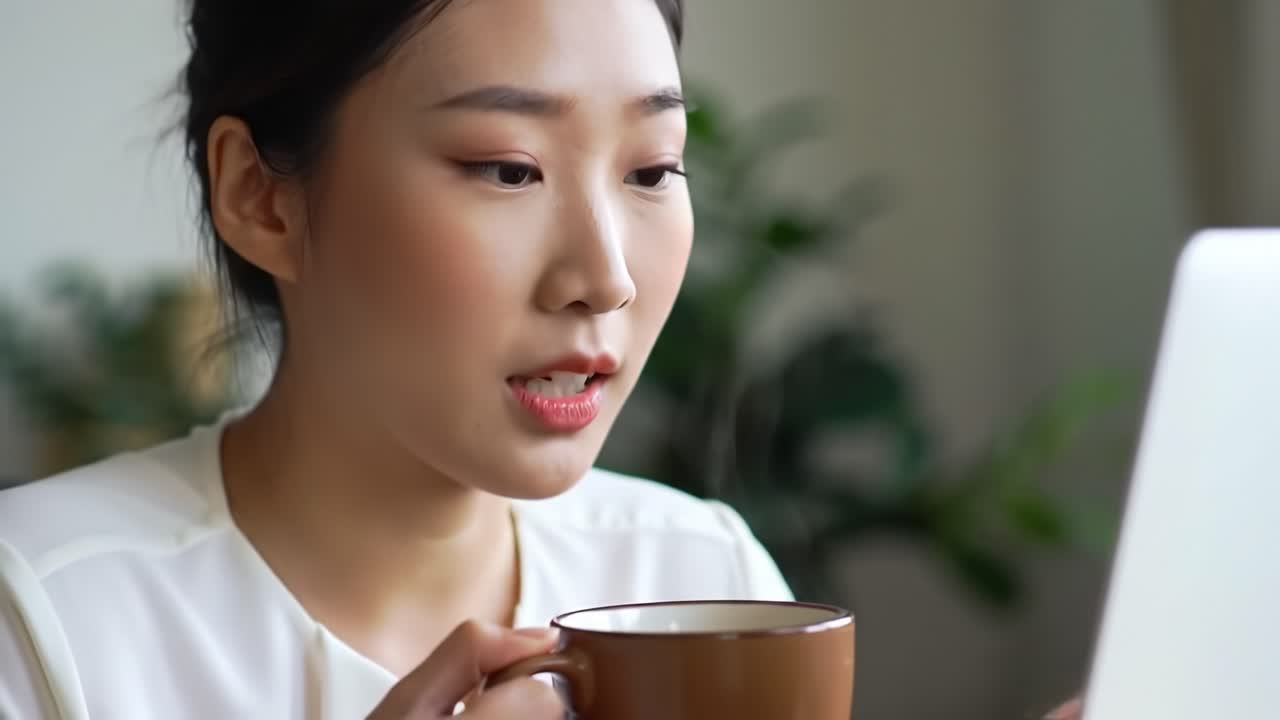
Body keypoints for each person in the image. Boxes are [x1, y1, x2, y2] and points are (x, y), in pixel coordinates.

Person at [0, 1, 1084, 718]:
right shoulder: (50, 619)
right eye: (506, 168)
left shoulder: (691, 578)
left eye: (653, 169)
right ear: (262, 196)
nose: (604, 275)